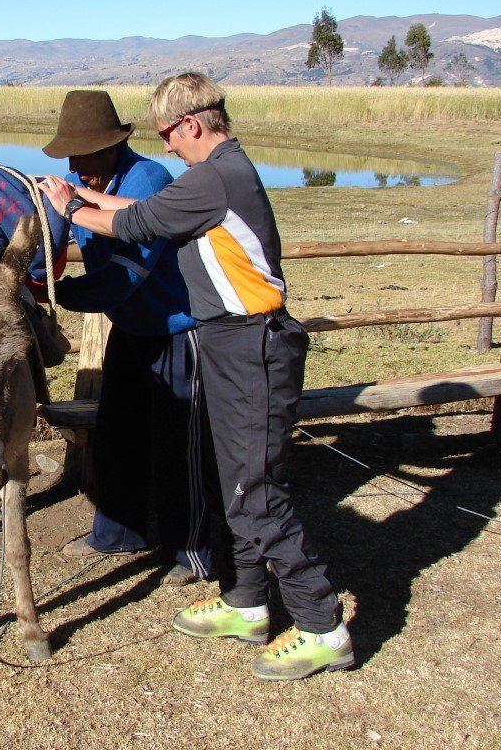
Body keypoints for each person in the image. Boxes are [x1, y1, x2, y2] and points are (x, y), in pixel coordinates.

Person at [38, 73, 353, 681]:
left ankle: (321, 626)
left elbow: (133, 228)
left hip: (252, 345)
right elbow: (147, 211)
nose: (167, 149)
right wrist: (83, 196)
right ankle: (246, 602)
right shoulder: (218, 177)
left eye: (167, 136)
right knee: (235, 481)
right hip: (230, 342)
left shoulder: (213, 176)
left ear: (190, 124)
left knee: (256, 493)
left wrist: (71, 207)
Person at [43, 89, 212, 585]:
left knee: (180, 445)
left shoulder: (150, 182)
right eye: (71, 155)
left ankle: (193, 551)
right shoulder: (79, 182)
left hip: (177, 332)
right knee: (117, 435)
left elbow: (125, 275)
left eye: (85, 153)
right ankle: (119, 533)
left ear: (112, 145)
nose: (77, 166)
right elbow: (51, 234)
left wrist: (58, 295)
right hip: (132, 330)